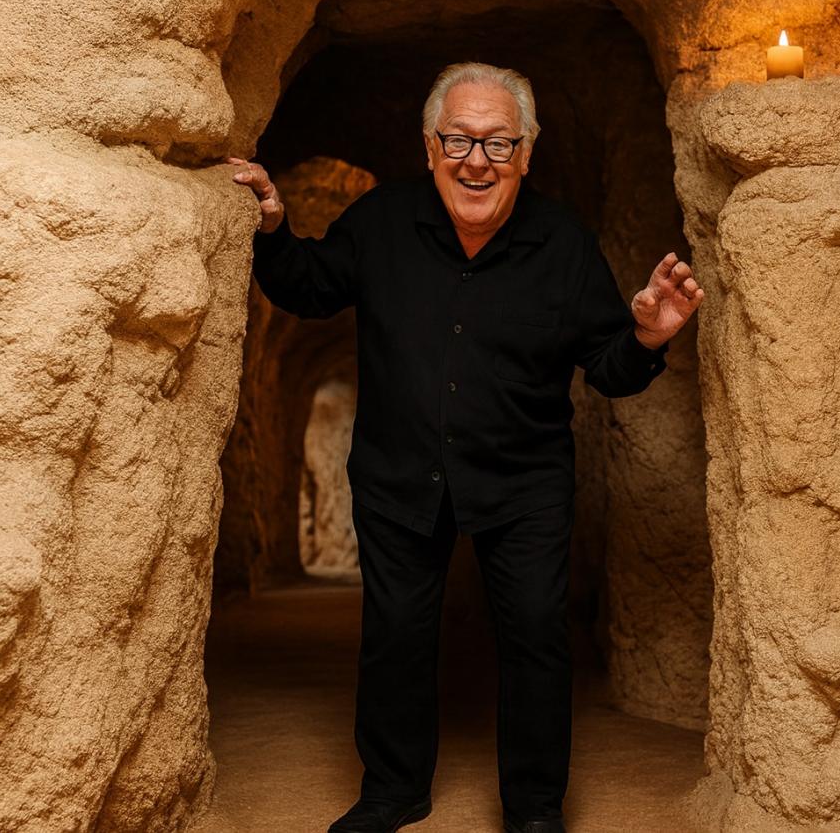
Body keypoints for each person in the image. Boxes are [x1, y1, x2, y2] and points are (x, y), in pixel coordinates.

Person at [230, 61, 704, 833]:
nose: (476, 160)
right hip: (398, 473)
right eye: (458, 140)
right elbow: (309, 285)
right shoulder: (381, 223)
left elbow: (609, 369)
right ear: (429, 148)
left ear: (526, 154)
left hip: (524, 482)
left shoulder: (563, 244)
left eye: (498, 143)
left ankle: (534, 808)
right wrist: (274, 226)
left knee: (536, 638)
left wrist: (648, 335)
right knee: (395, 634)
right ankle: (393, 790)